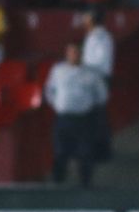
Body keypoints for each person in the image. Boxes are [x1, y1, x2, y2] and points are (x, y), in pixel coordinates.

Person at [44, 42, 108, 187]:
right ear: (67, 54)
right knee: (60, 152)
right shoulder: (58, 70)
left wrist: (89, 105)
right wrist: (57, 104)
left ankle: (85, 185)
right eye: (71, 52)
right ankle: (57, 183)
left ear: (81, 54)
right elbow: (49, 90)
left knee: (85, 153)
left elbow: (102, 95)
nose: (73, 55)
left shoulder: (91, 73)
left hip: (83, 119)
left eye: (76, 52)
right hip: (63, 118)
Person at [81, 8, 114, 160]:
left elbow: (100, 61)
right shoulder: (92, 35)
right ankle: (96, 150)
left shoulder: (101, 36)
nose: (83, 19)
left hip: (98, 79)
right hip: (91, 78)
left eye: (86, 17)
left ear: (92, 18)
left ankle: (102, 152)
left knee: (98, 116)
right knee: (94, 116)